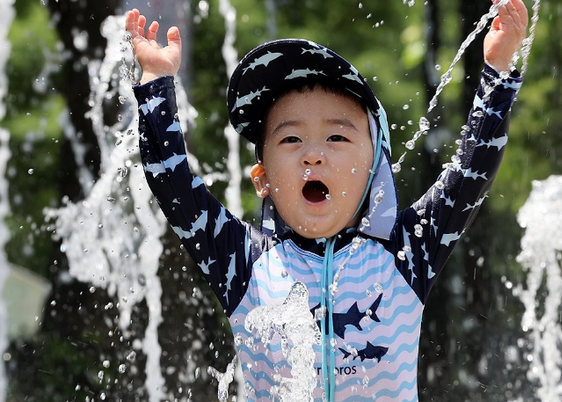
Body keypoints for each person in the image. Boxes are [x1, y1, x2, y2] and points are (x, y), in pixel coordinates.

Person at [126, 1, 528, 400]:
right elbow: (175, 188)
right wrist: (156, 87)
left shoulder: (405, 251)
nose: (312, 154)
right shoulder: (243, 261)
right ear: (263, 179)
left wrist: (497, 71)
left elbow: (468, 175)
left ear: (375, 171)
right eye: (290, 138)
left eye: (336, 137)